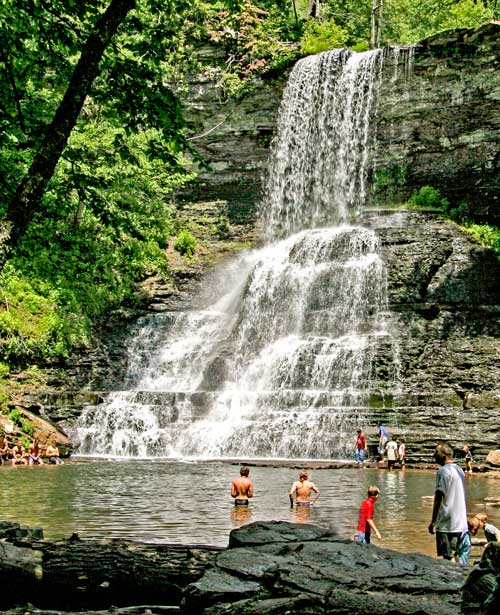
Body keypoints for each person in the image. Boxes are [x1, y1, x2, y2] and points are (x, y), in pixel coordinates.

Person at [428, 443, 468, 563]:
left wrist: (433, 521)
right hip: (460, 522)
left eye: (436, 453)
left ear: (443, 455)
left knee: (447, 557)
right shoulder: (460, 470)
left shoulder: (443, 471)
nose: (434, 456)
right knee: (456, 555)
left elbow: (438, 497)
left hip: (447, 523)